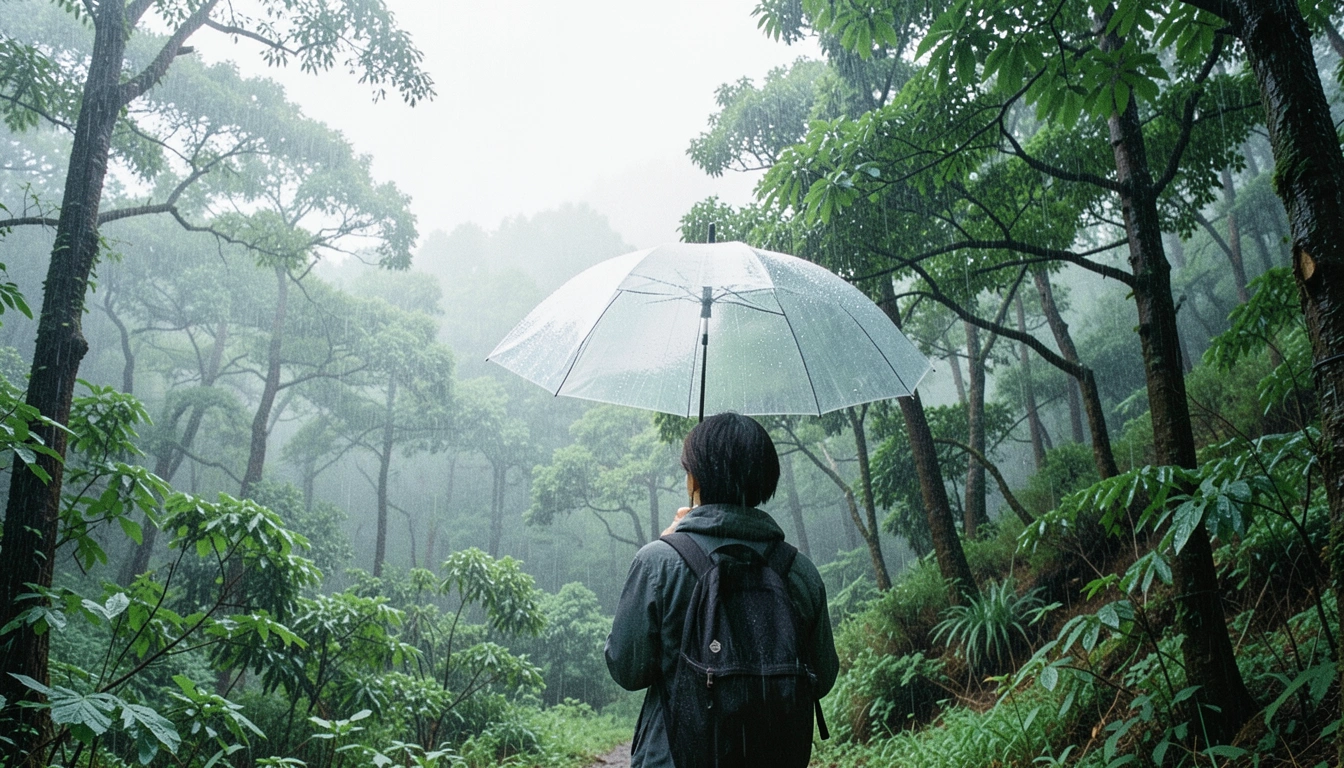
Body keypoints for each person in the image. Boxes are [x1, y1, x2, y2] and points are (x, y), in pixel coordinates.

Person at [605, 412, 839, 768]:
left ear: (694, 480)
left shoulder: (659, 563)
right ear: (765, 479)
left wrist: (673, 544)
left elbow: (627, 669)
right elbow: (821, 679)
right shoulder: (799, 572)